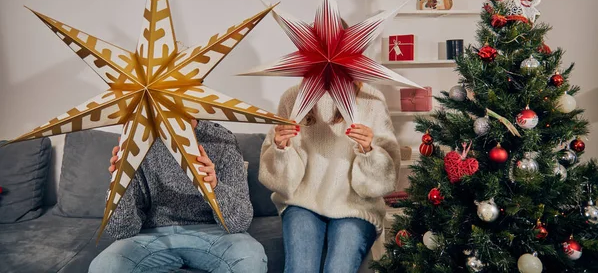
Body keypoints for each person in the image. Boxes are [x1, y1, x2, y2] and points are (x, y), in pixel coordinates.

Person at [89, 119, 267, 273]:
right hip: (150, 235)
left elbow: (240, 222)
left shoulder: (222, 139)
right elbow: (121, 230)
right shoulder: (137, 140)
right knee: (106, 265)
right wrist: (120, 183)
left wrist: (214, 187)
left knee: (250, 257)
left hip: (217, 234)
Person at [259, 82, 401, 273]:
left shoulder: (372, 99)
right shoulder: (292, 97)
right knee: (300, 268)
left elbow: (385, 181)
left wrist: (369, 150)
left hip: (355, 206)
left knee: (338, 268)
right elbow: (279, 181)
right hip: (302, 202)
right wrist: (281, 148)